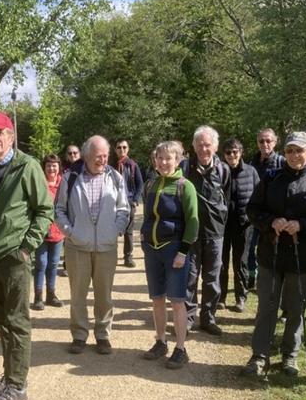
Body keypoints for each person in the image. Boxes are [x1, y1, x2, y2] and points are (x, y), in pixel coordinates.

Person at [0, 112, 54, 400]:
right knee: (2, 321)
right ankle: (9, 375)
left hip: (13, 257)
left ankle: (18, 386)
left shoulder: (26, 166)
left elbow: (45, 210)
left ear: (11, 137)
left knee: (18, 321)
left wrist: (26, 246)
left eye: (0, 132)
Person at [241, 132, 306, 378]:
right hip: (270, 254)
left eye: (300, 151)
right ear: (285, 152)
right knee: (267, 307)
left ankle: (289, 356)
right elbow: (252, 209)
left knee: (295, 309)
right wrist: (271, 221)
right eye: (290, 150)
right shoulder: (271, 179)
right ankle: (259, 355)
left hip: (302, 257)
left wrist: (302, 225)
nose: (295, 155)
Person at [55, 136, 129, 354]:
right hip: (77, 246)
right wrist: (70, 232)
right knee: (77, 294)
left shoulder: (115, 177)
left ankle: (103, 335)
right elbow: (58, 210)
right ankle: (79, 335)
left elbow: (124, 208)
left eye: (106, 155)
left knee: (104, 294)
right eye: (99, 156)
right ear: (87, 156)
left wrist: (116, 230)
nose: (103, 160)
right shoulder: (71, 177)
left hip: (106, 247)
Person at [140, 141, 199, 368]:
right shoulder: (150, 184)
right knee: (156, 299)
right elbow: (147, 217)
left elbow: (193, 224)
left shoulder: (185, 186)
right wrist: (145, 240)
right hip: (152, 250)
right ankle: (161, 341)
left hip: (175, 250)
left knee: (177, 301)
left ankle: (181, 348)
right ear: (155, 160)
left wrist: (183, 252)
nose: (164, 162)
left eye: (169, 158)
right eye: (160, 158)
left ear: (178, 160)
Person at [183, 125, 231, 336]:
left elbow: (227, 200)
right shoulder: (185, 168)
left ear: (216, 147)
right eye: (200, 145)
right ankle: (187, 319)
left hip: (215, 234)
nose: (204, 149)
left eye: (208, 145)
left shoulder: (224, 170)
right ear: (193, 147)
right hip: (191, 233)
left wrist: (219, 222)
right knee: (189, 278)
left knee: (212, 279)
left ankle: (208, 318)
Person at [218, 138, 259, 313]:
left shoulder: (251, 171)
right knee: (222, 262)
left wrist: (253, 217)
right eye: (228, 152)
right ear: (224, 154)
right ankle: (220, 298)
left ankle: (240, 298)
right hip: (222, 224)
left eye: (235, 152)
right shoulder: (219, 171)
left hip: (243, 225)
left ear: (241, 153)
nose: (232, 155)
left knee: (240, 263)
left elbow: (258, 196)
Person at [247, 128, 286, 289]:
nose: (265, 144)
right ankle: (251, 277)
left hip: (273, 216)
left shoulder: (282, 163)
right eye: (261, 141)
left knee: (270, 250)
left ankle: (272, 281)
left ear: (275, 142)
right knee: (249, 248)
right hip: (256, 214)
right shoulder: (252, 163)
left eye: (268, 140)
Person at [32, 154, 65, 311]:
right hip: (42, 231)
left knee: (53, 264)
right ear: (44, 167)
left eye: (54, 165)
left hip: (58, 232)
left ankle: (51, 295)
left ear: (59, 167)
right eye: (48, 165)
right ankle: (38, 297)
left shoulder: (64, 183)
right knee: (41, 264)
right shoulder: (39, 183)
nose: (51, 168)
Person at [114, 138, 144, 268]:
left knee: (129, 232)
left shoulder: (132, 165)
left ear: (128, 149)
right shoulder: (110, 165)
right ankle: (111, 257)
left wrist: (135, 200)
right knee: (111, 230)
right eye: (119, 147)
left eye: (124, 147)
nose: (122, 150)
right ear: (115, 149)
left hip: (128, 202)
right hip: (112, 203)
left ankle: (128, 257)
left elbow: (140, 183)